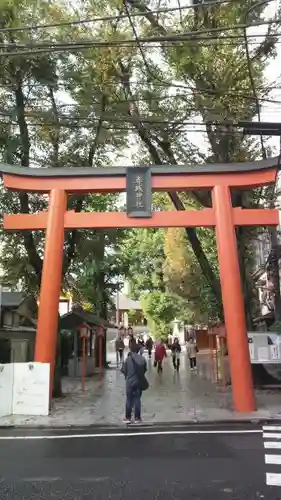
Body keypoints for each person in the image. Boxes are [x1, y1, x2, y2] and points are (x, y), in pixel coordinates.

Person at [121, 343, 147, 423]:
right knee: (137, 399)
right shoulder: (142, 359)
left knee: (129, 399)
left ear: (131, 350)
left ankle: (128, 418)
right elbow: (144, 370)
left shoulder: (128, 359)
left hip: (129, 382)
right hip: (138, 381)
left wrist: (127, 376)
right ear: (138, 350)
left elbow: (123, 370)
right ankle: (137, 418)